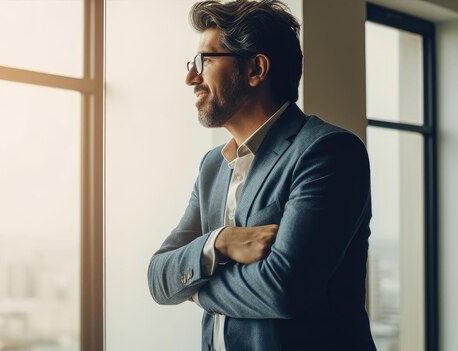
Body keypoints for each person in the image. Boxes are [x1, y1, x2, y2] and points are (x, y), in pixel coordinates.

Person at [147, 1, 377, 350]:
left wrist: (194, 287)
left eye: (205, 61)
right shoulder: (212, 165)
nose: (191, 77)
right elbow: (158, 276)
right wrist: (218, 242)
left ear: (256, 69)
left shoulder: (329, 152)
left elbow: (283, 290)